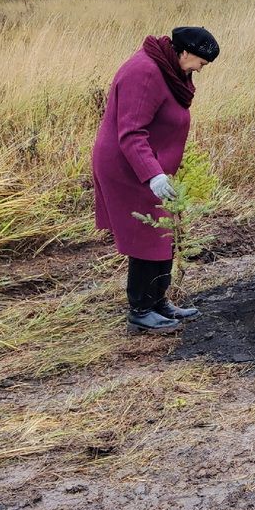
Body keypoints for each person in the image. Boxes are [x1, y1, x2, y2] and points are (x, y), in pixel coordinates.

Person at [92, 26, 219, 334]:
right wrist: (153, 174)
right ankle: (140, 310)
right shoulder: (146, 72)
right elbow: (132, 132)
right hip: (128, 166)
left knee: (165, 231)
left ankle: (159, 301)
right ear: (185, 52)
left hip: (152, 164)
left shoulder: (169, 69)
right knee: (146, 233)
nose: (201, 69)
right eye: (201, 62)